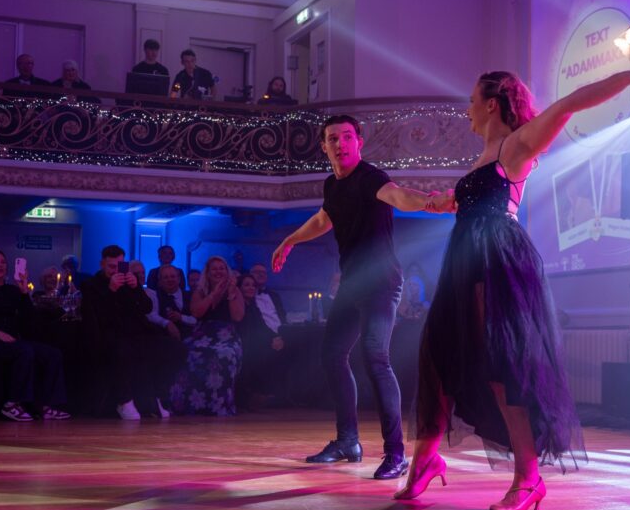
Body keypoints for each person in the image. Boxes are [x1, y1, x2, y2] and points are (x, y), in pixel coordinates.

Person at [396, 62, 630, 510]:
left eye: (472, 101)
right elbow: (454, 204)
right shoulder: (483, 157)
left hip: (497, 258)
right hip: (465, 257)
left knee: (501, 365)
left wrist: (627, 79)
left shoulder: (517, 145)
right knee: (436, 353)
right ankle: (426, 459)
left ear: (492, 103)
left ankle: (528, 478)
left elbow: (569, 105)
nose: (467, 110)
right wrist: (408, 197)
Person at [272, 114, 438, 480]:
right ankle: (348, 441)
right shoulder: (332, 185)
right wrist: (289, 240)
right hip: (352, 284)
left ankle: (396, 454)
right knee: (332, 354)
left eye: (347, 137)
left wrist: (429, 201)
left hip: (382, 281)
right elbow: (323, 219)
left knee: (375, 357)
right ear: (324, 146)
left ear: (359, 142)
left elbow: (397, 196)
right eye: (333, 138)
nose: (340, 143)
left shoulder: (370, 178)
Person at [0, 251, 70, 421]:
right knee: (24, 351)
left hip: (11, 341)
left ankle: (47, 405)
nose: (0, 265)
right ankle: (12, 403)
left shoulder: (12, 290)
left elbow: (29, 319)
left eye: (3, 262)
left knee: (52, 354)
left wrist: (24, 292)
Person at [80, 245, 185, 420]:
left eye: (119, 266)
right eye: (111, 267)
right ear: (102, 264)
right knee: (124, 351)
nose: (115, 271)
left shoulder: (129, 283)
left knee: (177, 349)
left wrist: (136, 287)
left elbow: (147, 307)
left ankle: (158, 394)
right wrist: (110, 290)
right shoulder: (91, 285)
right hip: (109, 336)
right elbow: (95, 314)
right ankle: (124, 401)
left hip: (137, 334)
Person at [172, 256, 244, 416]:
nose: (218, 271)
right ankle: (190, 405)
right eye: (214, 269)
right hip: (203, 333)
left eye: (222, 268)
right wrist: (213, 294)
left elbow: (237, 317)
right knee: (188, 352)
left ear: (227, 271)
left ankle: (218, 406)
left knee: (223, 355)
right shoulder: (200, 291)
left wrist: (230, 294)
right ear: (208, 273)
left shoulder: (235, 290)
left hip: (227, 335)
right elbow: (196, 312)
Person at [236, 273, 285, 409]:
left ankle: (271, 394)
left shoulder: (253, 306)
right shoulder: (239, 306)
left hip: (255, 341)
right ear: (239, 288)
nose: (251, 288)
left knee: (280, 348)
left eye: (253, 285)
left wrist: (275, 337)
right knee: (260, 351)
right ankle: (251, 396)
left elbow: (262, 326)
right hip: (242, 341)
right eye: (246, 285)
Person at [146, 265, 196, 340]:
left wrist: (181, 317)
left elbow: (196, 319)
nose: (170, 280)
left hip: (192, 338)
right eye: (166, 277)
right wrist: (167, 323)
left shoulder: (190, 295)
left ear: (179, 279)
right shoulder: (155, 296)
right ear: (160, 282)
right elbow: (152, 315)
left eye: (172, 276)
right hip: (166, 340)